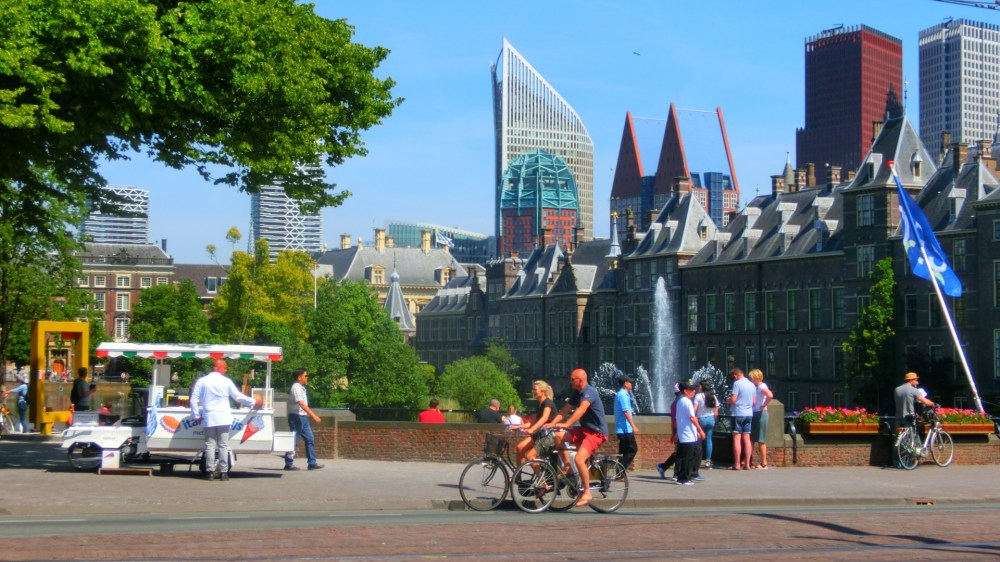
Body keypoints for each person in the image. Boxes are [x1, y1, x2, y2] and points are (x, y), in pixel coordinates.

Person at [189, 359, 262, 481]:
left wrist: (196, 416)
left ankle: (209, 472)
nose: (226, 370)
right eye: (224, 368)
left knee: (210, 445)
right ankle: (223, 472)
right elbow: (238, 397)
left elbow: (193, 400)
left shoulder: (202, 381)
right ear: (217, 368)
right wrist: (254, 402)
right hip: (223, 417)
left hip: (209, 417)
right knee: (223, 445)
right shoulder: (226, 381)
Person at [552, 368, 608, 508]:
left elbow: (581, 410)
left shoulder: (590, 392)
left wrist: (566, 424)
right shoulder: (576, 393)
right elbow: (564, 411)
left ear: (580, 380)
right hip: (584, 430)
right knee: (557, 436)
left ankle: (587, 492)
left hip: (596, 432)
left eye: (572, 379)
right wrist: (551, 424)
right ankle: (568, 470)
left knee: (579, 459)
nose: (570, 381)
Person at [509, 380, 558, 465]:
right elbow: (532, 423)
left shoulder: (547, 403)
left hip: (549, 435)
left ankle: (539, 474)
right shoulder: (539, 405)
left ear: (542, 391)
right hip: (540, 434)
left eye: (535, 389)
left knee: (530, 456)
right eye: (533, 389)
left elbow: (544, 418)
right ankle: (518, 473)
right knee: (520, 447)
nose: (533, 391)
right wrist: (516, 427)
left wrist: (532, 430)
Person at [284, 368, 323, 471]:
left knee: (310, 439)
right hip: (296, 417)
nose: (307, 377)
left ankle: (312, 463)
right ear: (299, 377)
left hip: (302, 417)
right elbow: (301, 403)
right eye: (305, 376)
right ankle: (289, 463)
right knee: (294, 441)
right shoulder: (296, 388)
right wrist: (313, 415)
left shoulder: (301, 388)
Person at [673, 381, 706, 485]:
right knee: (688, 457)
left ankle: (680, 477)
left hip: (684, 433)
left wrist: (677, 432)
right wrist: (700, 430)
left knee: (683, 456)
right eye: (691, 390)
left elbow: (679, 418)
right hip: (688, 435)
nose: (694, 391)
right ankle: (684, 479)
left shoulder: (680, 401)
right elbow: (692, 418)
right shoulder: (687, 401)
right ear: (685, 391)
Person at [728, 368, 755, 471]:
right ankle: (747, 464)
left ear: (735, 376)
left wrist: (728, 401)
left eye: (733, 378)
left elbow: (734, 399)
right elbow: (754, 401)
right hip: (749, 414)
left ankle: (737, 464)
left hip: (738, 413)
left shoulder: (737, 383)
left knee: (737, 439)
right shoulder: (752, 384)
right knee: (747, 439)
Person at [613, 375, 639, 471]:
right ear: (625, 384)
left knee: (623, 452)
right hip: (625, 429)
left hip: (622, 428)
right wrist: (633, 426)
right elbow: (626, 412)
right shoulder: (623, 395)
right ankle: (620, 470)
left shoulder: (622, 394)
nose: (631, 384)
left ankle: (619, 473)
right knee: (633, 449)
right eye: (629, 382)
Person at [749, 369, 773, 469]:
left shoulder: (762, 386)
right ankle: (748, 461)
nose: (751, 380)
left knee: (761, 439)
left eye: (752, 378)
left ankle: (764, 463)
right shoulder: (757, 387)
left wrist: (763, 405)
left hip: (761, 414)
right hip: (756, 413)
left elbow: (770, 395)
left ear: (756, 378)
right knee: (752, 439)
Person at [695, 381, 719, 469]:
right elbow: (716, 412)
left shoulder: (698, 396)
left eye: (699, 386)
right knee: (709, 440)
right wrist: (715, 420)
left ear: (702, 387)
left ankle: (697, 459)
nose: (698, 387)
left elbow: (694, 409)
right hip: (711, 419)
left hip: (701, 419)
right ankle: (708, 461)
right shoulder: (713, 396)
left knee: (698, 440)